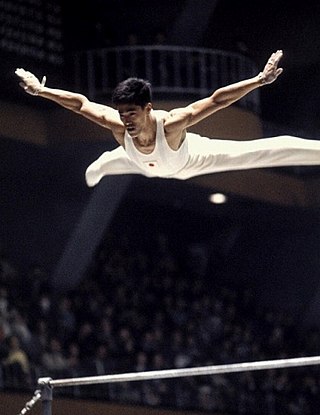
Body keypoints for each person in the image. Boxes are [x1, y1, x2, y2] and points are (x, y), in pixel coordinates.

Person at [15, 50, 320, 187]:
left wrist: (258, 81)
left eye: (131, 113)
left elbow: (217, 99)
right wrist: (41, 91)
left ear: (148, 108)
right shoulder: (117, 124)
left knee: (265, 150)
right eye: (122, 114)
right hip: (139, 161)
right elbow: (80, 105)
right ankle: (107, 162)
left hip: (194, 159)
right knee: (114, 161)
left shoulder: (171, 123)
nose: (126, 121)